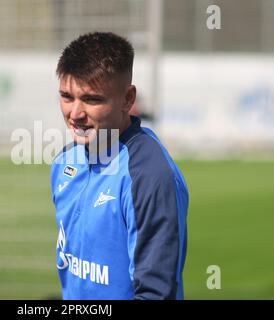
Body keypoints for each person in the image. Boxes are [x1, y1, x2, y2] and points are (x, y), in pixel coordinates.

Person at [50, 32, 189, 300]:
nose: (75, 114)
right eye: (67, 97)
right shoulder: (64, 163)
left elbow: (155, 295)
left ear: (128, 99)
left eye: (92, 99)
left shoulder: (149, 176)